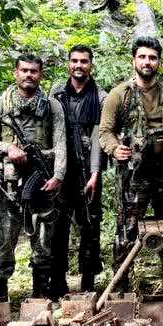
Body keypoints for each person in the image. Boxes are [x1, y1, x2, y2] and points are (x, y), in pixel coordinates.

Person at [99, 37, 163, 294]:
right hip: (134, 173)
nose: (147, 62)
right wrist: (115, 148)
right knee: (127, 230)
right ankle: (121, 287)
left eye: (152, 57)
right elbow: (105, 131)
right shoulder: (120, 95)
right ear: (134, 61)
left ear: (159, 62)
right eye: (142, 57)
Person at [0, 54, 66, 299]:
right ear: (16, 73)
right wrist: (8, 148)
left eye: (34, 71)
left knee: (43, 239)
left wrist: (58, 175)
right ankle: (0, 297)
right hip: (8, 182)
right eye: (24, 70)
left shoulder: (51, 106)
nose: (29, 75)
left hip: (42, 180)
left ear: (41, 75)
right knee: (5, 237)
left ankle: (40, 296)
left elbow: (60, 143)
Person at [50, 45, 108, 297]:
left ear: (91, 65)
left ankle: (88, 280)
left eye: (84, 61)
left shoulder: (101, 97)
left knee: (90, 225)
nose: (79, 65)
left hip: (88, 168)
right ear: (68, 64)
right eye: (74, 60)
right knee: (58, 226)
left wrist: (95, 173)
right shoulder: (57, 93)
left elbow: (99, 136)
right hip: (61, 168)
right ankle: (57, 281)